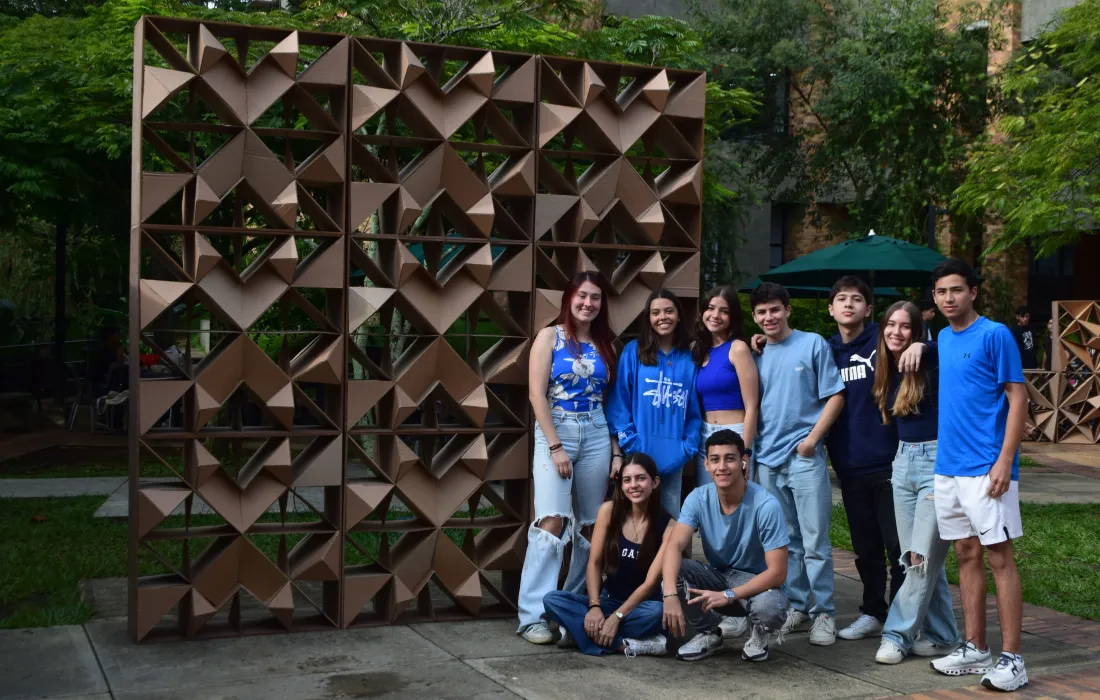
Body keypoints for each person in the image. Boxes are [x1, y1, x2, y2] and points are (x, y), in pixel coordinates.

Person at [928, 259, 1029, 692]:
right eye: (940, 292)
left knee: (999, 557)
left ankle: (1014, 659)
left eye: (956, 290)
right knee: (966, 553)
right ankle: (975, 648)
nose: (948, 298)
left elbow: (1018, 396)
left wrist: (1005, 460)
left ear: (973, 292)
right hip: (948, 467)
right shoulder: (942, 337)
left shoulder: (995, 334)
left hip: (987, 467)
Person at [517, 271, 618, 645]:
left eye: (595, 297)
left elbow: (611, 401)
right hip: (556, 428)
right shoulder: (550, 336)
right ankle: (533, 616)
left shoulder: (606, 344)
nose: (588, 303)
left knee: (592, 526)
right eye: (582, 296)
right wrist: (556, 446)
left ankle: (569, 609)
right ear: (569, 298)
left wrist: (616, 450)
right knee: (552, 521)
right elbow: (536, 394)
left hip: (596, 431)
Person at [824, 276, 923, 643]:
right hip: (848, 464)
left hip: (889, 462)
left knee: (897, 547)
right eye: (841, 299)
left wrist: (923, 345)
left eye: (856, 299)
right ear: (831, 308)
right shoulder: (825, 351)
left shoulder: (881, 341)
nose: (848, 304)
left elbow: (913, 337)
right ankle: (872, 612)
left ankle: (901, 619)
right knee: (865, 547)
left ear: (868, 309)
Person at [749, 282, 845, 646]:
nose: (769, 317)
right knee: (786, 540)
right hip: (767, 459)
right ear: (754, 317)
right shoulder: (756, 353)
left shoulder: (813, 344)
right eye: (761, 312)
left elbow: (835, 395)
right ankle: (798, 606)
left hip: (802, 457)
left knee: (815, 539)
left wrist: (812, 441)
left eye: (775, 309)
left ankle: (824, 613)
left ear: (788, 309)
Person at [871, 301, 961, 665]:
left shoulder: (929, 362)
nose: (896, 332)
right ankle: (943, 636)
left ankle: (896, 635)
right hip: (903, 462)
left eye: (905, 326)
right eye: (890, 325)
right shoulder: (887, 367)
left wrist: (925, 346)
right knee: (917, 557)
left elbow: (957, 350)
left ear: (917, 331)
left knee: (920, 558)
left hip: (935, 463)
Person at [660, 430, 789, 662]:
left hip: (757, 584)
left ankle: (759, 631)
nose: (722, 467)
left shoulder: (766, 505)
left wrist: (729, 595)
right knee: (674, 571)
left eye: (730, 459)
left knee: (770, 609)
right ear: (706, 464)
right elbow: (673, 546)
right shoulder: (698, 498)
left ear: (743, 461)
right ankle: (710, 633)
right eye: (715, 459)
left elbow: (778, 573)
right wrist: (669, 594)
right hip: (718, 576)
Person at [543, 453, 674, 657]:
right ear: (621, 485)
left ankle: (581, 634)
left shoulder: (669, 526)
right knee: (552, 599)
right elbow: (594, 563)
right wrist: (594, 606)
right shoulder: (609, 511)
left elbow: (650, 584)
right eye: (627, 480)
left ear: (655, 482)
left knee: (657, 612)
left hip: (641, 606)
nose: (634, 485)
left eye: (641, 478)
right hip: (607, 600)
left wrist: (616, 617)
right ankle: (624, 644)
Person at [607, 289, 701, 519]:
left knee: (669, 518)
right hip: (638, 453)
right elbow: (619, 402)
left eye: (669, 311)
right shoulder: (633, 351)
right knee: (634, 518)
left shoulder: (690, 357)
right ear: (648, 318)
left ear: (679, 316)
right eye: (656, 312)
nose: (663, 317)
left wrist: (686, 448)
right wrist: (630, 443)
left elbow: (694, 410)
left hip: (675, 456)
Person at [693, 285, 760, 483]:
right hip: (705, 437)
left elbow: (752, 406)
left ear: (733, 317)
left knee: (737, 497)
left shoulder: (738, 348)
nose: (715, 315)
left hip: (735, 435)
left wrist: (745, 451)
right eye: (711, 308)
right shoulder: (698, 350)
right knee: (708, 497)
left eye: (724, 311)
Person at [1010, 306, 1039, 370]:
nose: (1025, 319)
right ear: (1017, 317)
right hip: (1020, 364)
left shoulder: (1031, 328)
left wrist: (1036, 363)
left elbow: (1034, 347)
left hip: (1032, 363)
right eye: (1023, 317)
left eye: (1027, 316)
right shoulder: (1014, 330)